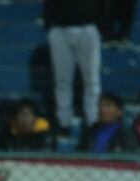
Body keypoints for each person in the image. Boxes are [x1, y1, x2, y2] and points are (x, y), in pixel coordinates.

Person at [43, 0, 101, 135]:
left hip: (87, 26)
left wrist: (101, 24)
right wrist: (50, 22)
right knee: (62, 80)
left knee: (91, 79)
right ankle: (64, 122)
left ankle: (92, 120)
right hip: (59, 28)